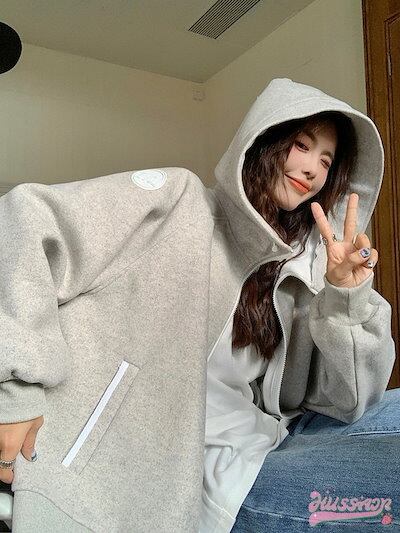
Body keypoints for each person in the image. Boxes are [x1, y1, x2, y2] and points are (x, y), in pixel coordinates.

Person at [0, 77, 397, 532]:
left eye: (325, 161)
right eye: (302, 146)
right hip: (205, 476)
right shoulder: (179, 202)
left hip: (274, 440)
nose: (311, 169)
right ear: (263, 140)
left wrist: (345, 298)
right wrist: (15, 389)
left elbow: (349, 403)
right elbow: (25, 220)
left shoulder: (299, 274)